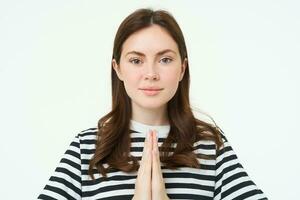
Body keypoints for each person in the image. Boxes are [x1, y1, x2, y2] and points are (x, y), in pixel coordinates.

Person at [38, 8, 268, 200]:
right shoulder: (86, 148)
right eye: (136, 60)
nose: (150, 73)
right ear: (117, 68)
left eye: (165, 60)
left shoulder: (210, 146)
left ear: (182, 68)